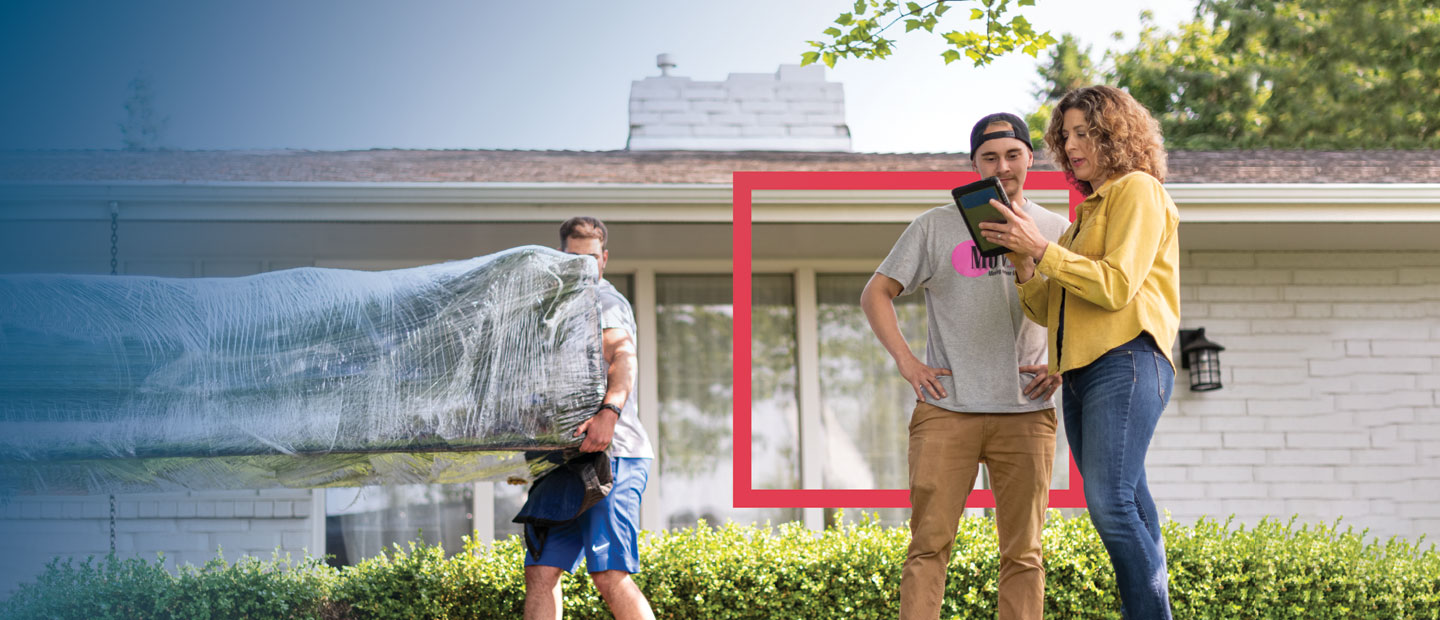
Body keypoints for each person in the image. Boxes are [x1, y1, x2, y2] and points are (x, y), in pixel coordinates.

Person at [978, 85, 1180, 619]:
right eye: (1065, 136)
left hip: (1129, 360)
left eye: (1084, 132)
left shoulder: (1139, 190)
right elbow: (1048, 310)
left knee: (1111, 505)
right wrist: (1025, 257)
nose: (1070, 146)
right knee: (1131, 501)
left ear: (1116, 134)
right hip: (1083, 373)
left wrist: (1044, 250)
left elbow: (1116, 286)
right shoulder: (1082, 219)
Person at [861, 113, 1070, 620]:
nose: (1003, 166)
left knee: (1024, 553)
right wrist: (909, 363)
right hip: (946, 409)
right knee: (929, 545)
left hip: (1026, 410)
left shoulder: (1056, 229)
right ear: (974, 164)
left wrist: (1062, 363)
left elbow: (1078, 306)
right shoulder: (934, 227)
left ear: (1029, 158)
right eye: (990, 158)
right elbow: (876, 294)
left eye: (1012, 155)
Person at [523, 216, 656, 620]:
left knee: (609, 574)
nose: (581, 269)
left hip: (611, 455)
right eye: (572, 260)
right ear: (559, 259)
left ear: (604, 260)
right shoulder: (551, 311)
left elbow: (622, 356)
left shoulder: (606, 302)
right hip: (561, 461)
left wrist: (609, 413)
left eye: (590, 260)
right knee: (540, 573)